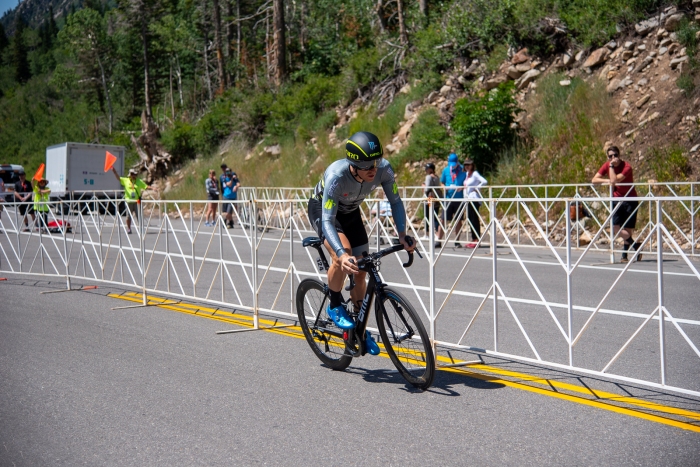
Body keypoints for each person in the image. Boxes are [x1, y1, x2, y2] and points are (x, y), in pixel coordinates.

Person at [308, 131, 415, 355]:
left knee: (361, 270)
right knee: (343, 255)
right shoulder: (336, 176)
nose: (373, 170)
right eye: (366, 166)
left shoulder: (384, 169)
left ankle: (360, 330)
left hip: (351, 212)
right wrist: (340, 253)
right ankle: (335, 304)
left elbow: (395, 201)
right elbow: (328, 219)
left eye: (375, 163)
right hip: (325, 212)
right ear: (353, 165)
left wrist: (403, 234)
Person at [591, 145, 642, 263]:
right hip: (616, 199)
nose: (613, 158)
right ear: (607, 157)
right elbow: (594, 180)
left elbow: (616, 180)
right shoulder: (608, 165)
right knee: (615, 228)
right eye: (610, 156)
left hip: (630, 199)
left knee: (628, 229)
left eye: (615, 155)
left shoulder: (627, 166)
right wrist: (607, 179)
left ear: (619, 155)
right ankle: (636, 246)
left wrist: (611, 168)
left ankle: (624, 255)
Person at [436, 153, 467, 248]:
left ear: (457, 162)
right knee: (443, 220)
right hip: (448, 198)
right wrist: (444, 187)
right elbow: (442, 182)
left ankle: (457, 241)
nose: (453, 166)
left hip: (459, 198)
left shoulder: (463, 170)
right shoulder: (445, 170)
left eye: (454, 163)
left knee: (458, 220)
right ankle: (439, 240)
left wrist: (461, 188)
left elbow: (466, 182)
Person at [112, 167, 149, 234]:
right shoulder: (126, 180)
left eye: (135, 174)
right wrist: (114, 172)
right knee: (128, 216)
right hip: (129, 201)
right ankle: (129, 228)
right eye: (132, 174)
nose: (133, 175)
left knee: (139, 215)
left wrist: (153, 188)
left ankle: (141, 229)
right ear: (130, 175)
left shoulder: (139, 181)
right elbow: (118, 178)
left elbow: (145, 186)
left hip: (137, 201)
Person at [462, 158, 487, 248]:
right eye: (466, 165)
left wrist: (477, 187)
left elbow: (484, 181)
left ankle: (476, 239)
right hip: (468, 199)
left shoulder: (475, 174)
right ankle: (473, 239)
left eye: (469, 165)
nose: (467, 167)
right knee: (470, 219)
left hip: (473, 199)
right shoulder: (467, 174)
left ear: (472, 165)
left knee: (474, 219)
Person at [421, 162, 442, 240]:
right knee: (435, 216)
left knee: (427, 216)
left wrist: (423, 185)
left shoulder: (428, 177)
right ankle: (437, 234)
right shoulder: (437, 177)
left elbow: (427, 188)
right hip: (436, 198)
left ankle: (426, 234)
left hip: (429, 198)